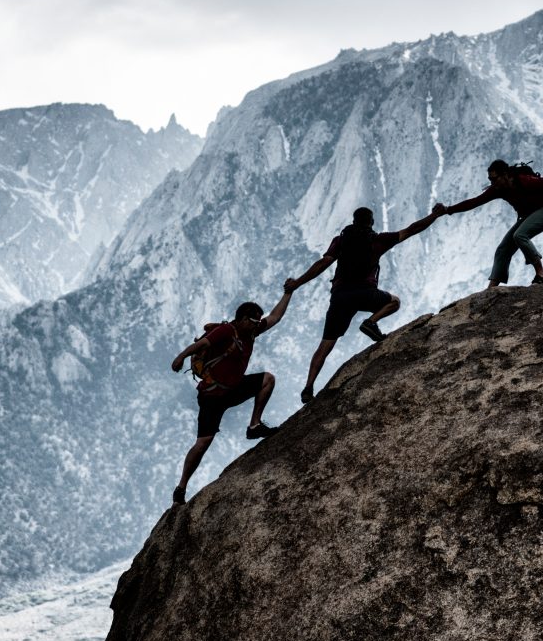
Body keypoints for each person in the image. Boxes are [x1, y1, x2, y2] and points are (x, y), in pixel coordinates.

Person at [286, 206, 440, 404]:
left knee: (326, 344)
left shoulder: (341, 240)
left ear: (353, 220)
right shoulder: (378, 239)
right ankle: (371, 322)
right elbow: (411, 229)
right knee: (394, 301)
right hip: (365, 293)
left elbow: (323, 263)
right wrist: (434, 215)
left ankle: (308, 387)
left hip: (340, 296)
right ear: (371, 222)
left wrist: (297, 282)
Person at [168, 288, 294, 505]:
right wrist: (181, 357)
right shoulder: (227, 331)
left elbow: (275, 318)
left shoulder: (251, 332)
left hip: (233, 389)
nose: (257, 324)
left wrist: (288, 293)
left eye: (257, 322)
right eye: (254, 321)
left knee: (267, 380)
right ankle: (181, 487)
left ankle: (254, 426)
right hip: (212, 396)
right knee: (202, 443)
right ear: (244, 319)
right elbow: (201, 345)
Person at [436, 159, 543, 288]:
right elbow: (474, 202)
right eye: (490, 180)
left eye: (494, 179)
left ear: (505, 175)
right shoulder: (497, 189)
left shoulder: (524, 181)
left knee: (520, 235)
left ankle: (541, 274)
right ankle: (492, 288)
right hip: (529, 216)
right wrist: (448, 209)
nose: (492, 183)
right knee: (503, 249)